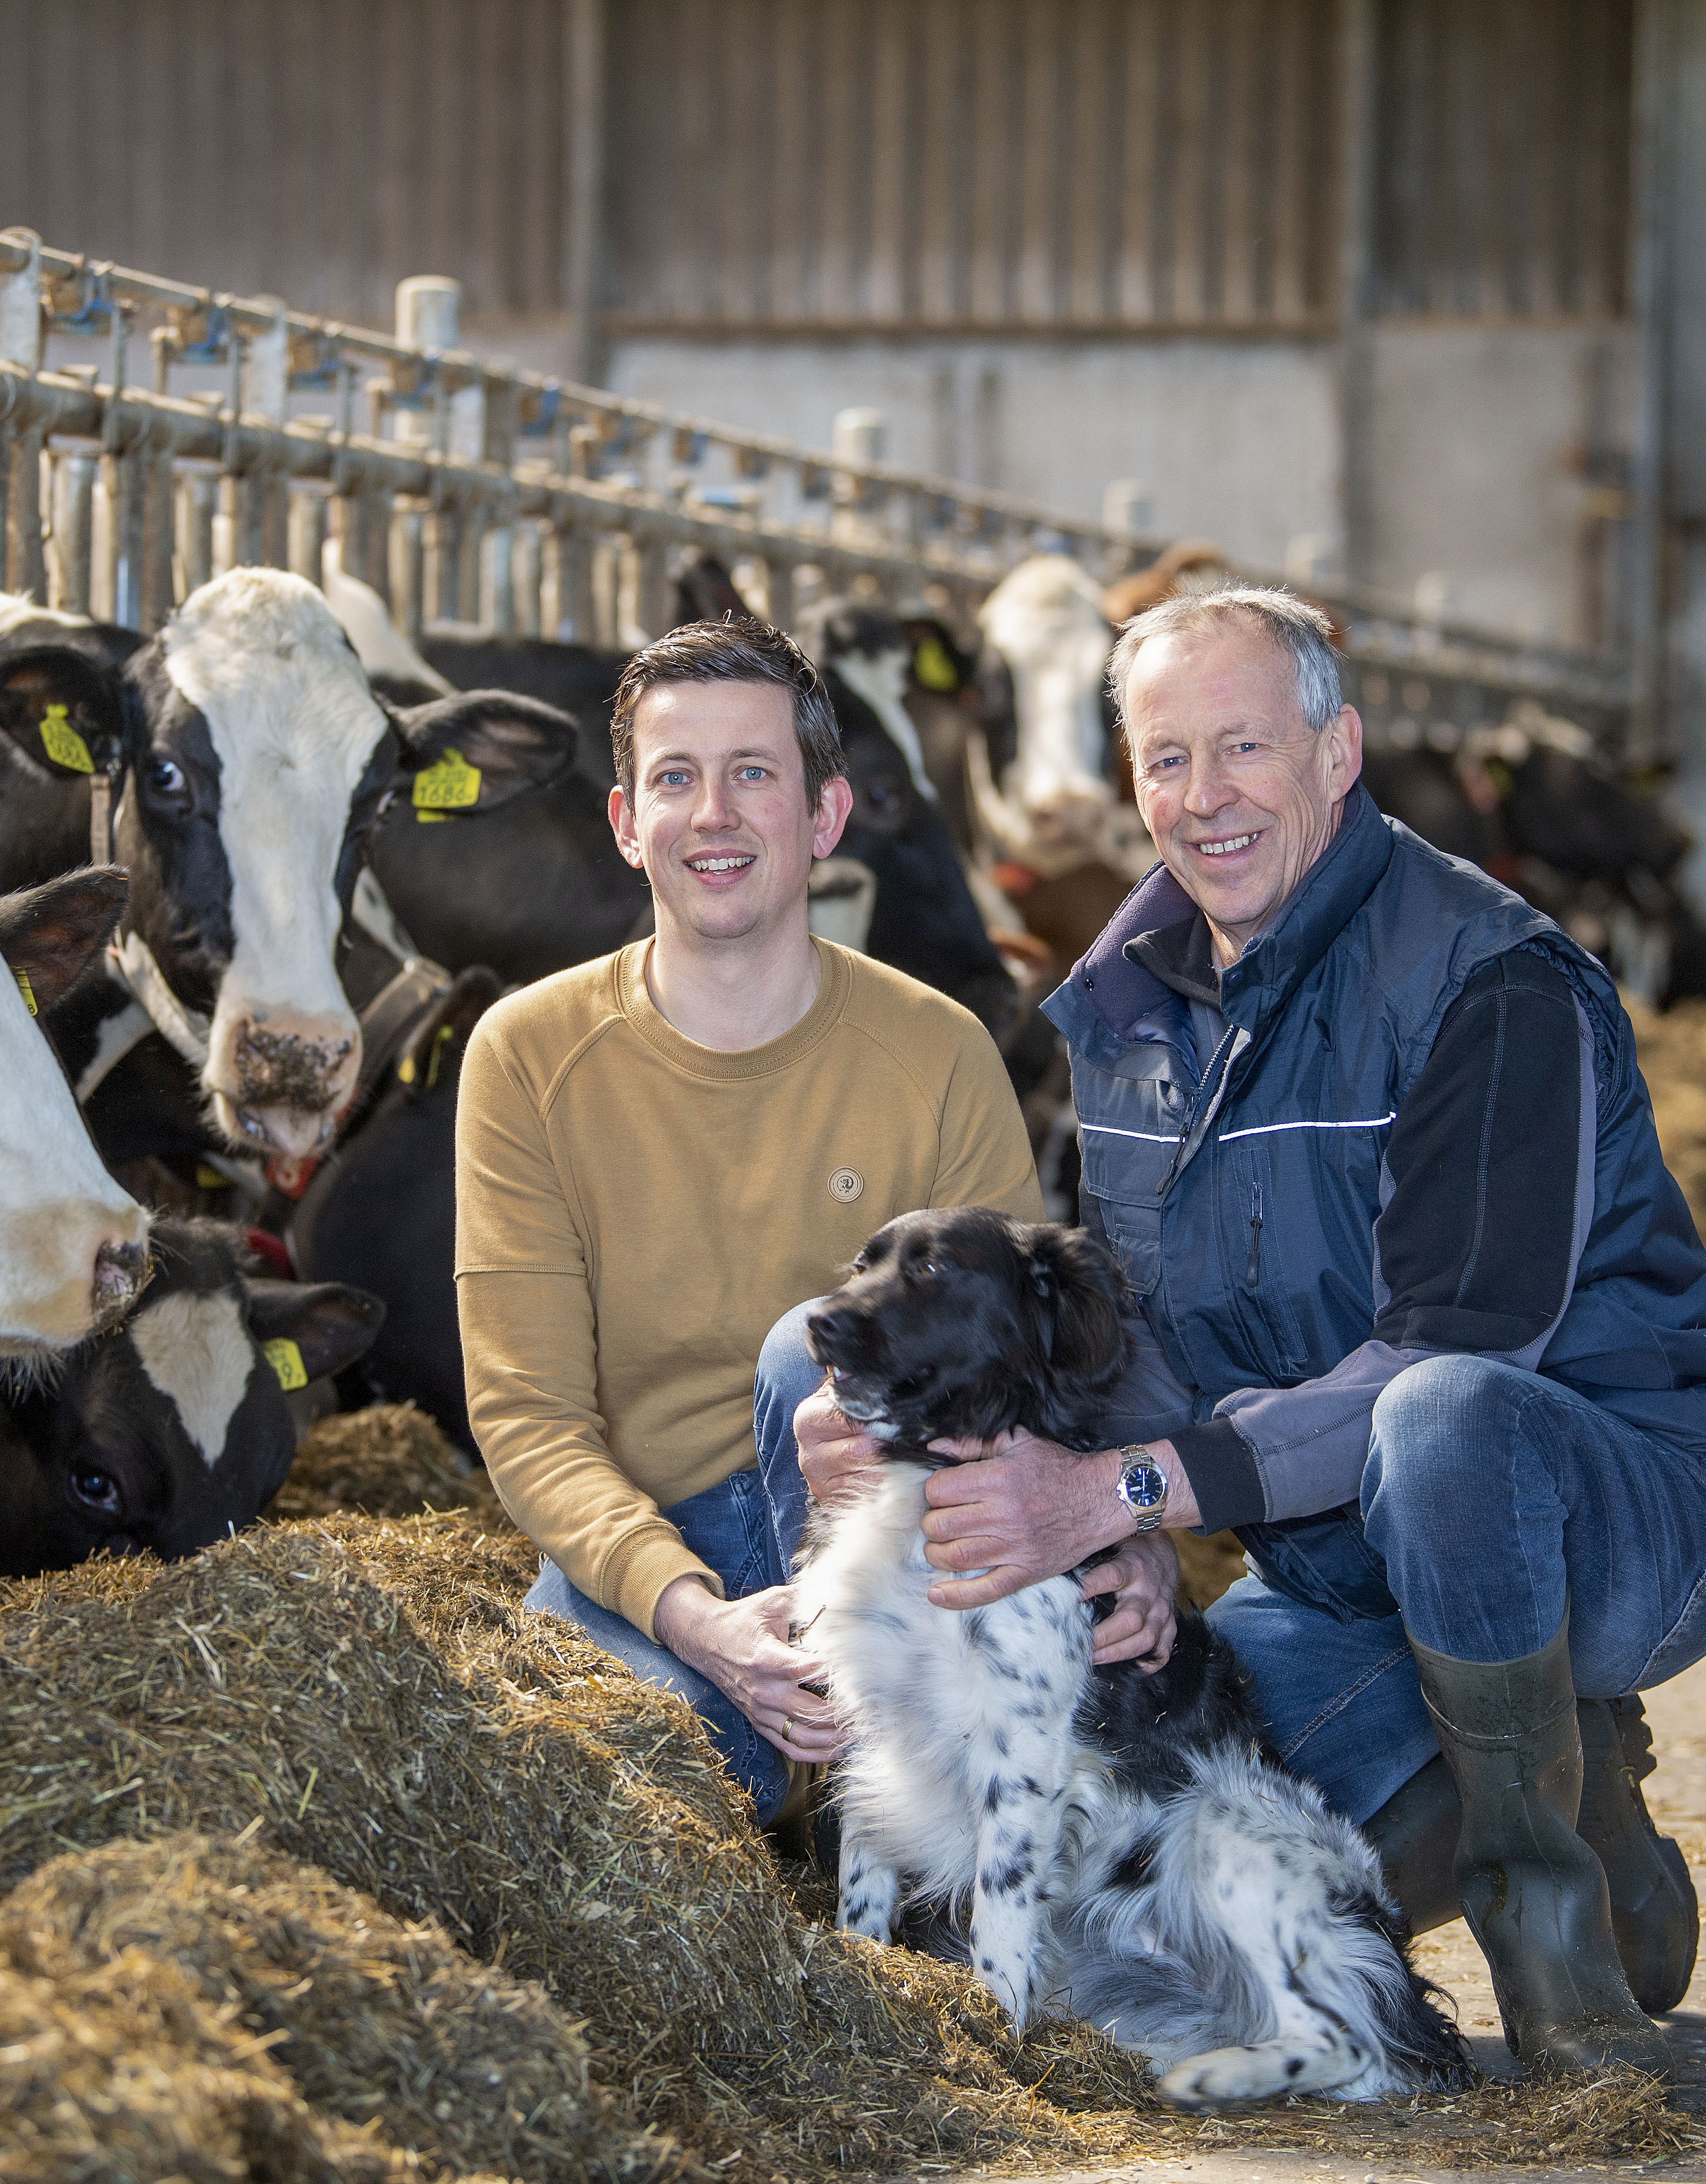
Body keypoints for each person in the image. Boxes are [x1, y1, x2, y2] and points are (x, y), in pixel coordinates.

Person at [795, 587, 1706, 2076]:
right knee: (1168, 1847)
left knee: (1444, 1418)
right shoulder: (1124, 1011)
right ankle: (1573, 1787)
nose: (1205, 798)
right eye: (1168, 759)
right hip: (1334, 1564)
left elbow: (1459, 1351)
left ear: (1341, 753)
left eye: (1244, 745)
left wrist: (1129, 1491)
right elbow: (1128, 1342)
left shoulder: (1489, 975)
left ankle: (1560, 1943)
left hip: (1618, 1513)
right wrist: (1111, 1542)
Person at [456, 614, 1185, 1825]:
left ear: (826, 817)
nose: (716, 815)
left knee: (819, 1339)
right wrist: (700, 1618)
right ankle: (819, 1777)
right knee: (614, 1802)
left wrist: (1133, 1534)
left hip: (900, 1537)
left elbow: (1030, 1363)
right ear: (628, 824)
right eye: (676, 779)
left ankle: (879, 1769)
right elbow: (527, 1415)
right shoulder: (527, 1055)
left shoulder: (938, 1050)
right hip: (655, 1552)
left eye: (755, 774)